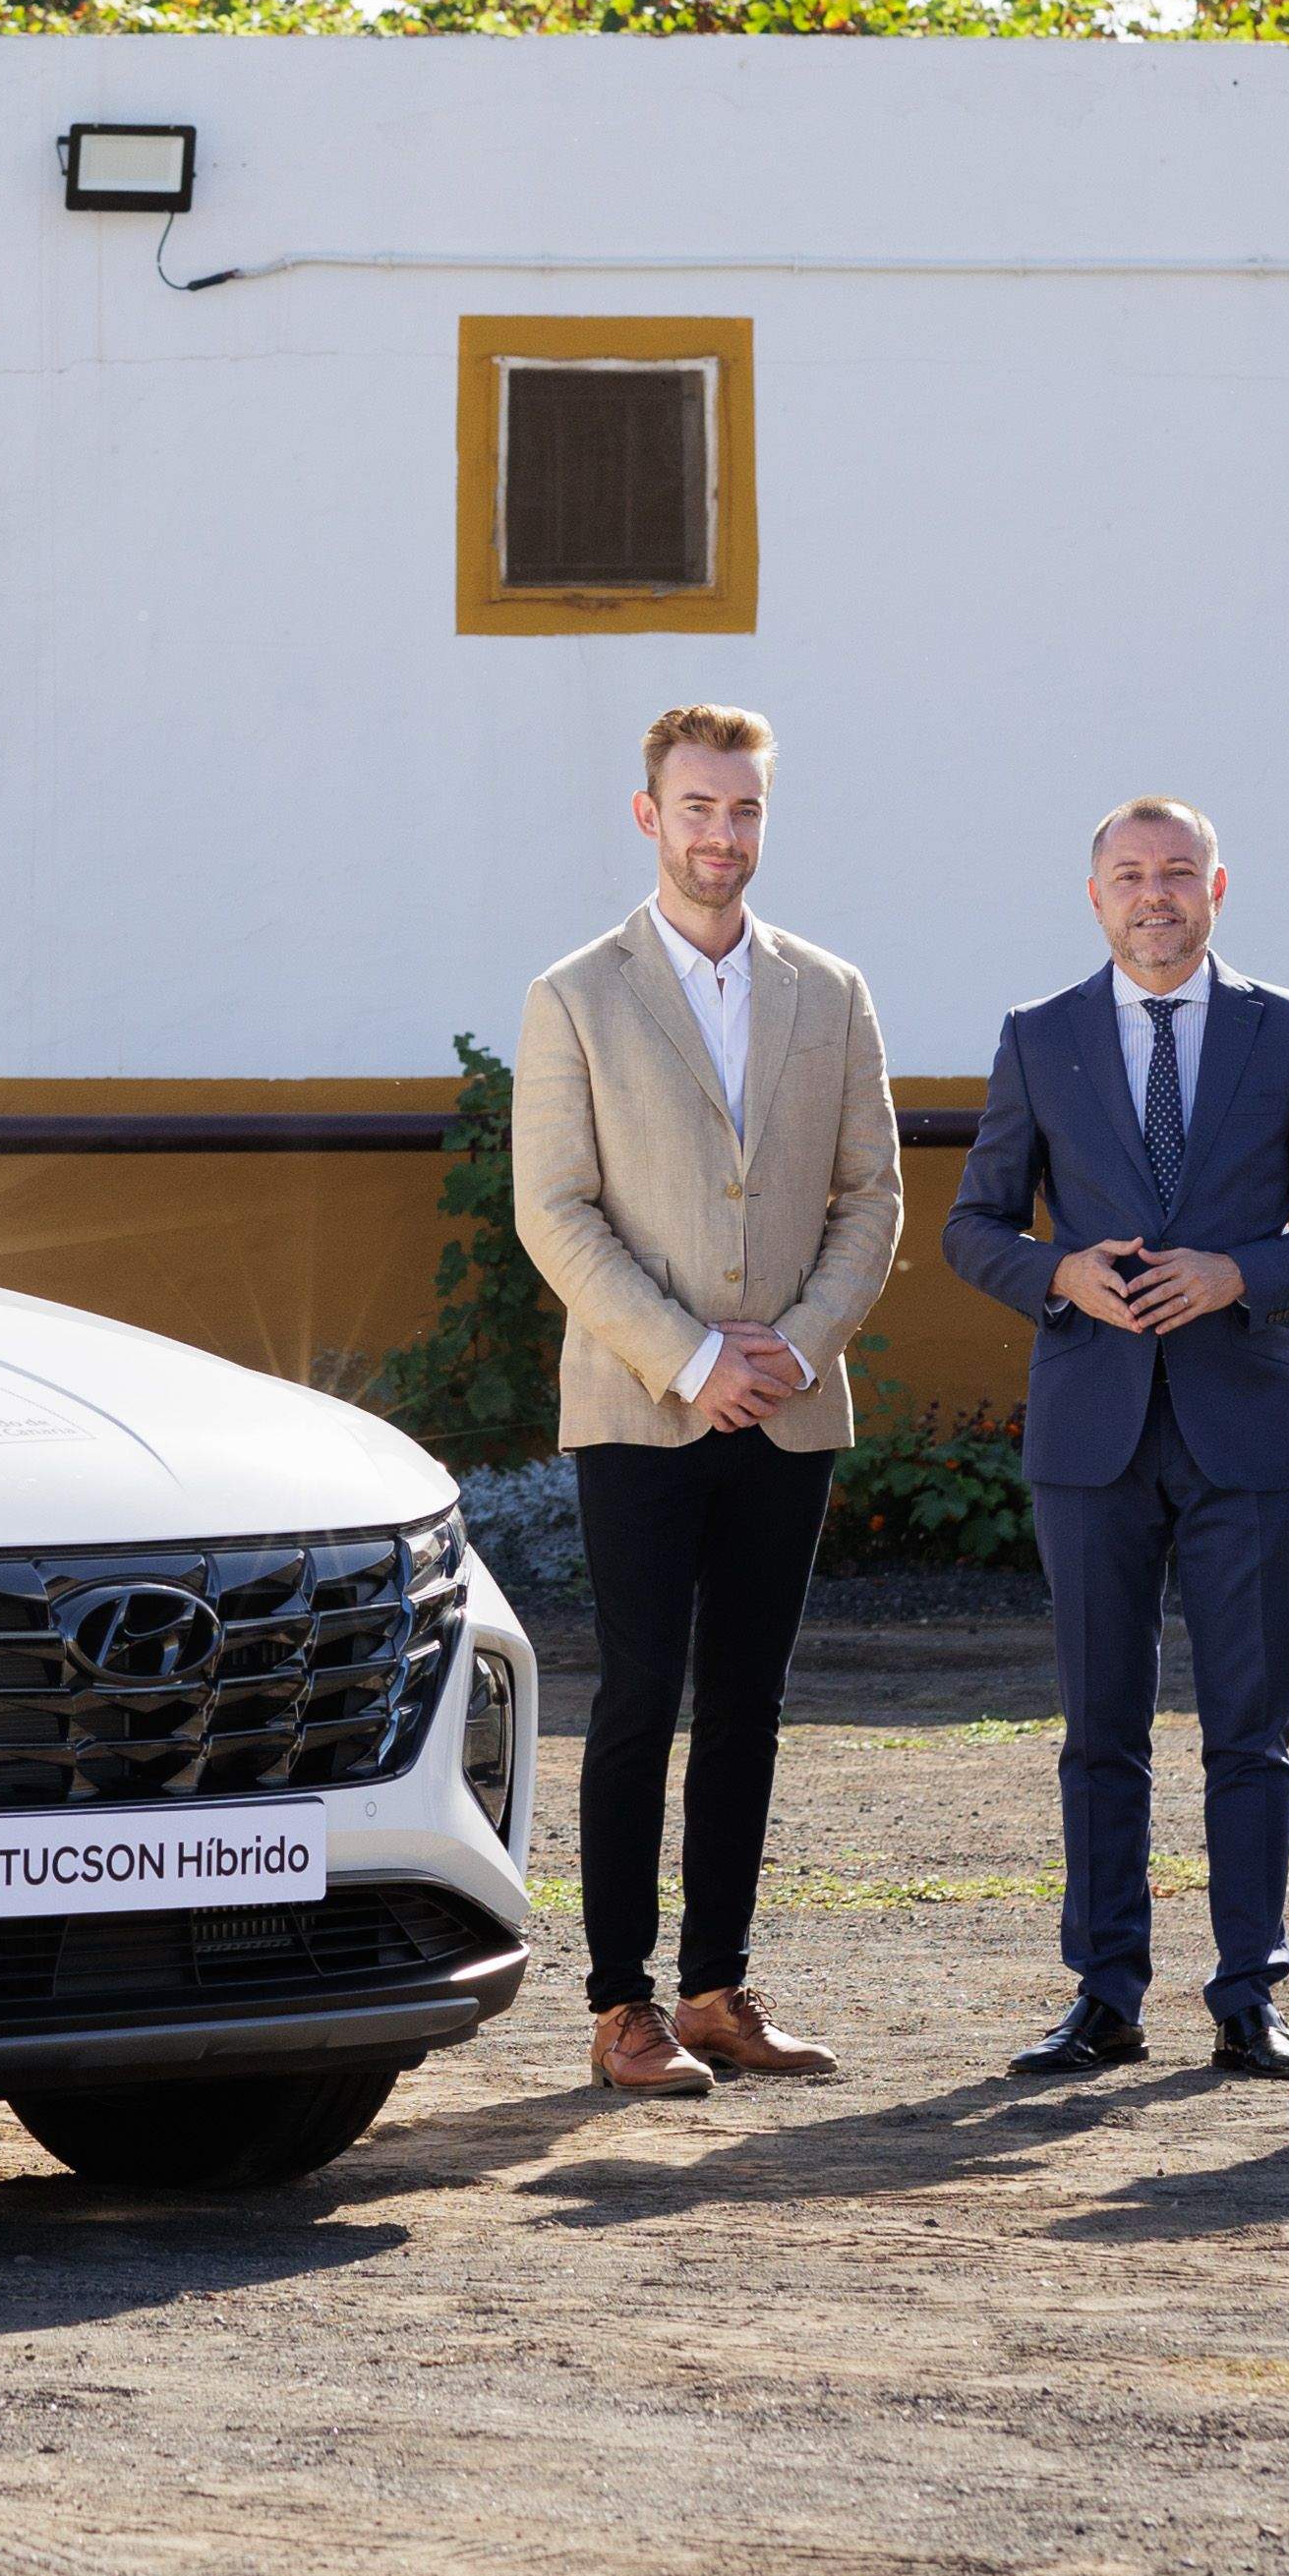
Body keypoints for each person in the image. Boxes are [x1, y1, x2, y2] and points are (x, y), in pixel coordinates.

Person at [945, 798, 1289, 2083]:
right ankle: (1105, 1993)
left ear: (1218, 888)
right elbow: (973, 1226)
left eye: (1178, 873)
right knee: (1100, 1726)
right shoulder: (1040, 1037)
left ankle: (1250, 1995)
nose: (1156, 894)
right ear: (1095, 894)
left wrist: (1238, 1273)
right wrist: (1059, 1273)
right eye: (1131, 875)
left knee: (1250, 1728)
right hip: (1090, 1428)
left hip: (1243, 1425)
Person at [514, 701, 905, 2099]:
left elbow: (873, 1194)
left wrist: (792, 1347)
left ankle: (718, 1989)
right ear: (650, 816)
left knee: (749, 1700)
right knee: (636, 1697)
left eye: (743, 810)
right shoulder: (576, 993)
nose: (721, 834)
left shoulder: (831, 992)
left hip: (791, 1407)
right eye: (697, 807)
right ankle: (621, 2005)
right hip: (638, 1406)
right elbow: (554, 1212)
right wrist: (692, 1356)